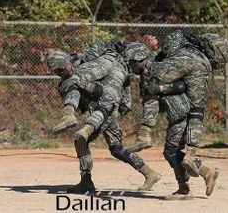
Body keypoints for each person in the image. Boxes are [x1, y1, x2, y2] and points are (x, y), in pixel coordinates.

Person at [47, 49, 161, 194]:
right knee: (116, 149)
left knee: (82, 139)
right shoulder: (67, 80)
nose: (59, 73)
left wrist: (86, 86)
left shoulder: (88, 66)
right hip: (101, 111)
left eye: (62, 69)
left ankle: (86, 181)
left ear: (68, 63)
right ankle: (150, 173)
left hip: (106, 108)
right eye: (56, 71)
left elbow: (101, 89)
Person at [124, 42, 220, 200]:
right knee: (171, 151)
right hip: (177, 113)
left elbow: (181, 85)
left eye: (132, 62)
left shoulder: (158, 68)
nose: (131, 66)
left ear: (140, 59)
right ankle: (198, 178)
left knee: (170, 152)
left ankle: (189, 186)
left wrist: (160, 90)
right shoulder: (150, 71)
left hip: (181, 113)